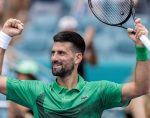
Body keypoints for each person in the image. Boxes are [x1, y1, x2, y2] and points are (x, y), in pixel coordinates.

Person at [0, 18, 149, 117]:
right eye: (53, 53)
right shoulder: (36, 91)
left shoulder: (98, 91)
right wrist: (4, 37)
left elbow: (140, 88)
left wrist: (140, 48)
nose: (54, 58)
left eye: (61, 53)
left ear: (78, 58)